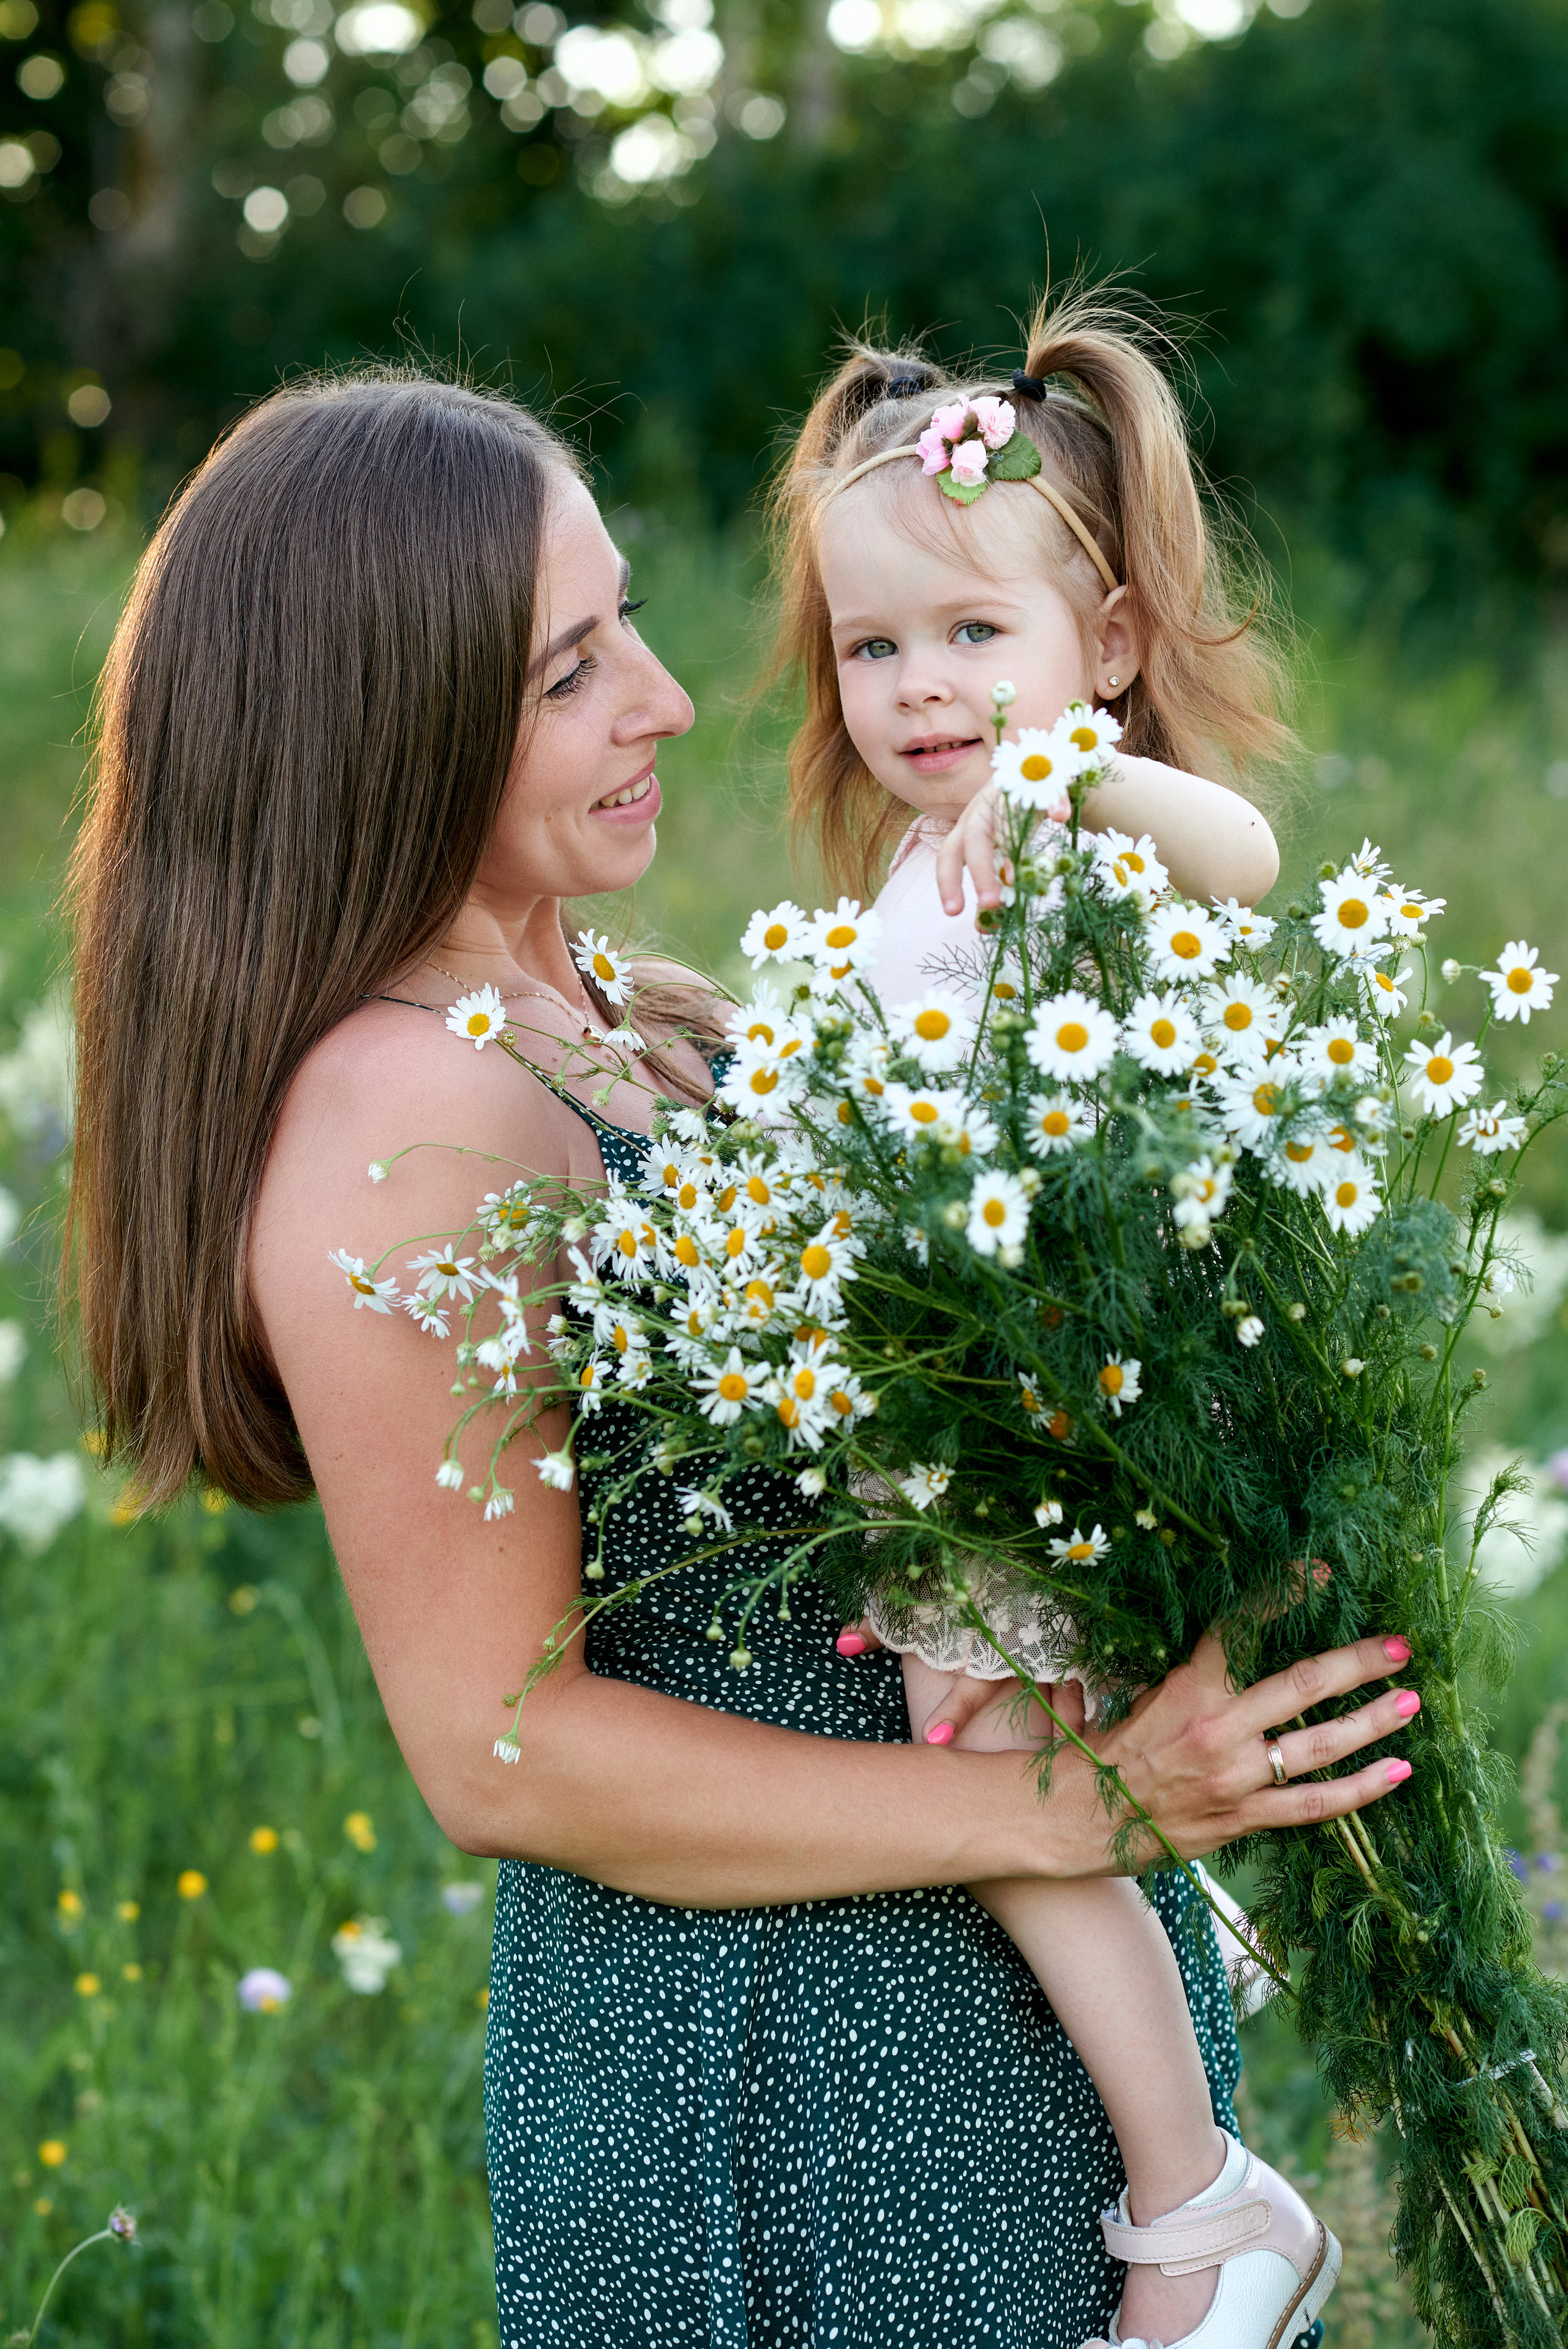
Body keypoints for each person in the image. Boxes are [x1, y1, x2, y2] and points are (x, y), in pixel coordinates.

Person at [67, 364, 1419, 2349]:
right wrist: (1069, 1807)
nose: (669, 699)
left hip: (990, 2005)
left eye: (623, 620)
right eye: (566, 672)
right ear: (383, 726)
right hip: (778, 2091)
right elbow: (501, 1746)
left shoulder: (623, 1005)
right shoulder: (393, 1118)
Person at [764, 290, 1373, 2349]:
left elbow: (1255, 852)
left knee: (1019, 1792)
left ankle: (1200, 2197)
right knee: (1005, 1772)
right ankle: (1198, 2169)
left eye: (974, 636)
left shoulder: (1059, 833)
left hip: (1062, 1418)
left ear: (1101, 649)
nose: (926, 691)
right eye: (875, 647)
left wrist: (1087, 791)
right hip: (975, 1421)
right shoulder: (925, 876)